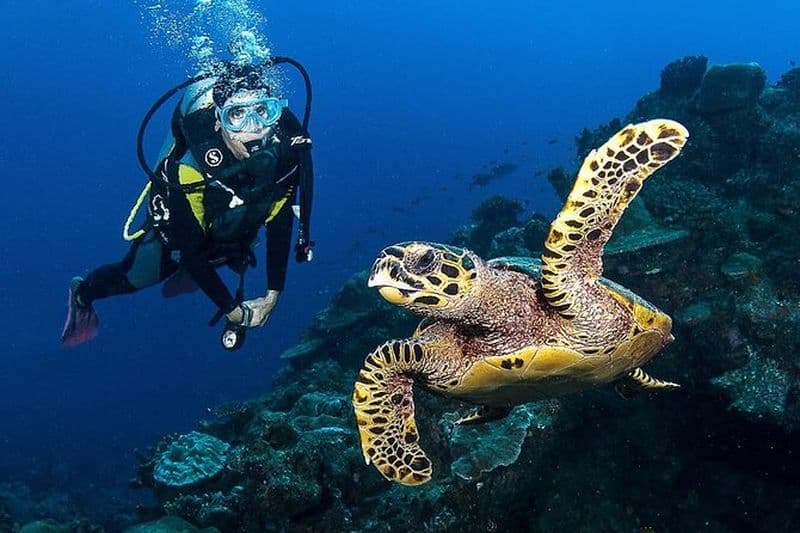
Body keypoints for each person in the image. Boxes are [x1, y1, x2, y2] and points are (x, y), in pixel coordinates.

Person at [61, 63, 314, 348]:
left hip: (229, 227)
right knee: (137, 275)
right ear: (219, 122)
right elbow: (190, 250)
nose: (253, 127)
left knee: (236, 236)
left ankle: (211, 261)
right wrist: (232, 310)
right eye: (237, 115)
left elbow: (281, 224)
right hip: (182, 234)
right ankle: (82, 293)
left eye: (262, 111)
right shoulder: (190, 167)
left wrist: (272, 295)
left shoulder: (287, 155)